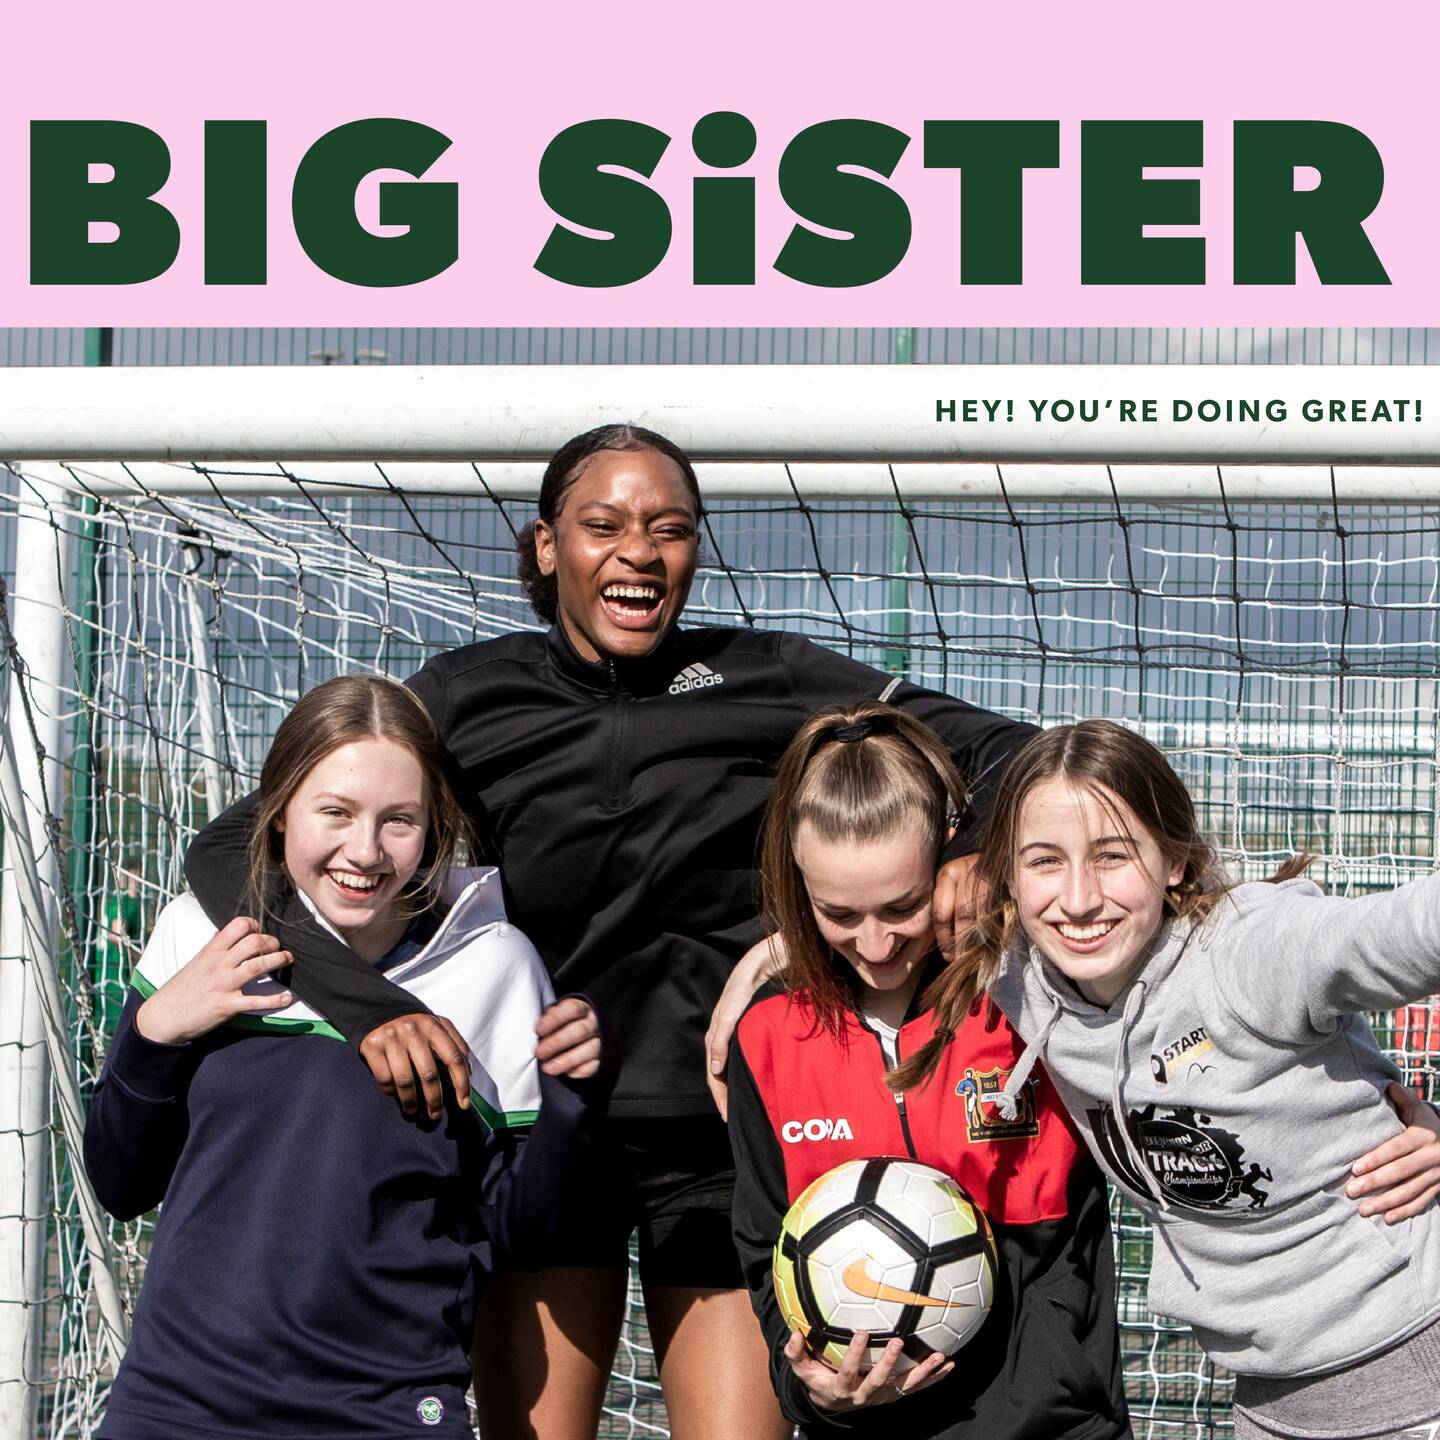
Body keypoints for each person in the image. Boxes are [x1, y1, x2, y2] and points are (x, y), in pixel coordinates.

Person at [182, 424, 1041, 1440]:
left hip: (717, 1136)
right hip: (539, 1131)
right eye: (605, 525)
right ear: (548, 546)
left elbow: (1016, 752)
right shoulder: (463, 699)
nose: (640, 550)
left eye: (670, 529)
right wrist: (373, 1011)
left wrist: (973, 852)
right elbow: (234, 845)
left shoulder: (770, 676)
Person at [85, 676, 612, 1440]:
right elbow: (119, 1183)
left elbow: (520, 1236)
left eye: (399, 821)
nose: (363, 852)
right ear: (278, 812)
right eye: (334, 813)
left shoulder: (492, 963)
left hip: (384, 1412)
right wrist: (156, 1032)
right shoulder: (198, 935)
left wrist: (572, 1103)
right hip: (175, 1408)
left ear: (434, 827)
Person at [906, 718, 1440, 1440]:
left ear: (1176, 859)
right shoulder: (1021, 978)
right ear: (1007, 876)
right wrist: (761, 963)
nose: (1079, 898)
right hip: (1269, 1403)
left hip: (1416, 1368)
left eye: (1113, 855)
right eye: (1044, 862)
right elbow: (854, 926)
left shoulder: (1250, 954)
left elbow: (1408, 931)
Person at [728, 702, 1130, 1438]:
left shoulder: (1031, 994)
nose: (876, 943)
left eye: (902, 905)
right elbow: (765, 1253)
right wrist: (814, 1391)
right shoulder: (765, 1036)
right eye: (839, 914)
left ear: (948, 857)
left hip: (1051, 1423)